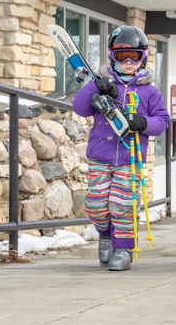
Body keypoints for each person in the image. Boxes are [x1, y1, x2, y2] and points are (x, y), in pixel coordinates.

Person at [73, 25, 170, 271]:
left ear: (143, 57)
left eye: (135, 56)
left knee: (122, 204)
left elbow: (162, 120)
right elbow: (80, 108)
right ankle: (105, 235)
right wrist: (96, 87)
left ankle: (124, 248)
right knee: (96, 204)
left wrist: (143, 123)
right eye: (122, 56)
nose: (128, 62)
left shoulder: (148, 91)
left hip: (130, 157)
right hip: (100, 155)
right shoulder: (101, 83)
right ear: (112, 55)